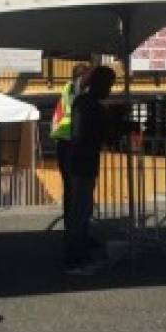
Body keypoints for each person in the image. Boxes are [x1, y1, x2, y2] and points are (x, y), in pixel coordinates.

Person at [63, 65, 116, 274]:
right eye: (109, 85)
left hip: (76, 160)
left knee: (79, 212)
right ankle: (76, 260)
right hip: (84, 162)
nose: (110, 90)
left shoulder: (80, 102)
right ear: (101, 84)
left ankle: (78, 256)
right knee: (81, 213)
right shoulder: (94, 107)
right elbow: (104, 136)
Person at [52, 63, 92, 226]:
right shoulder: (76, 90)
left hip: (63, 142)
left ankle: (72, 228)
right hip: (72, 142)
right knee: (77, 189)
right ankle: (76, 231)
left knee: (70, 189)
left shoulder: (67, 88)